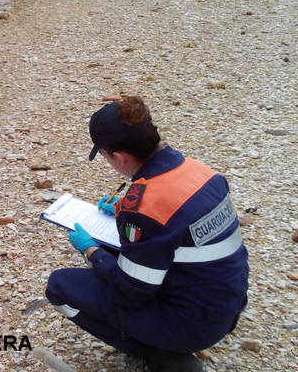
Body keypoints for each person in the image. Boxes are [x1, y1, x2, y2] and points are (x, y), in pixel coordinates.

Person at [45, 96, 248, 372]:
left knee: (60, 286)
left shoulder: (144, 207)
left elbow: (129, 292)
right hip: (226, 305)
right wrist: (122, 212)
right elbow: (178, 224)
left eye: (105, 157)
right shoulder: (200, 171)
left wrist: (91, 251)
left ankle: (161, 355)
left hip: (193, 325)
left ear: (119, 156)